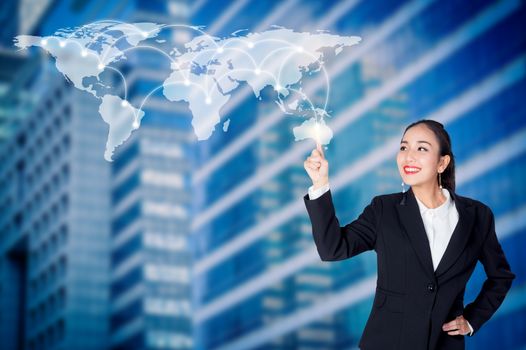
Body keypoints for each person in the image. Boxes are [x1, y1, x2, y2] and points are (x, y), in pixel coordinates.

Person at [303, 119, 515, 350]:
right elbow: (332, 249)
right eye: (404, 147)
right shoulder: (384, 210)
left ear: (442, 163)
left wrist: (473, 320)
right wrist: (320, 183)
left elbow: (501, 277)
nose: (408, 156)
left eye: (421, 148)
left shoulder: (477, 216)